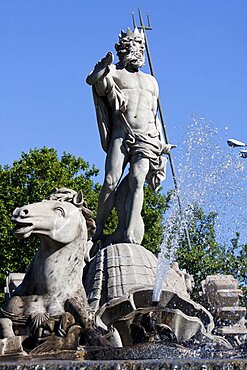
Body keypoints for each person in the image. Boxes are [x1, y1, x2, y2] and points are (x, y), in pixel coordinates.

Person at [87, 28, 175, 244]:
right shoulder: (114, 73)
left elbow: (154, 114)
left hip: (147, 137)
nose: (139, 54)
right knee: (110, 181)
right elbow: (95, 84)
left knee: (137, 180)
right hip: (122, 133)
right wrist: (100, 70)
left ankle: (129, 233)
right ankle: (98, 230)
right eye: (135, 48)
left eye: (141, 49)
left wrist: (161, 141)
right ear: (124, 50)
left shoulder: (151, 81)